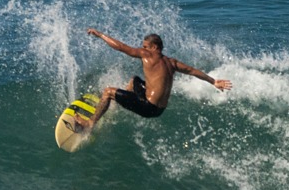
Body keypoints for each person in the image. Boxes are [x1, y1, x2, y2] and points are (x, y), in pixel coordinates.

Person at [75, 29, 232, 129]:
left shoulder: (146, 55)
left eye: (145, 46)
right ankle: (118, 102)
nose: (142, 49)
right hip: (159, 110)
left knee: (108, 91)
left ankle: (89, 124)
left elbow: (121, 47)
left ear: (154, 47)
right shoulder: (173, 62)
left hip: (147, 106)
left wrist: (100, 35)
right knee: (135, 80)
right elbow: (192, 70)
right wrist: (213, 81)